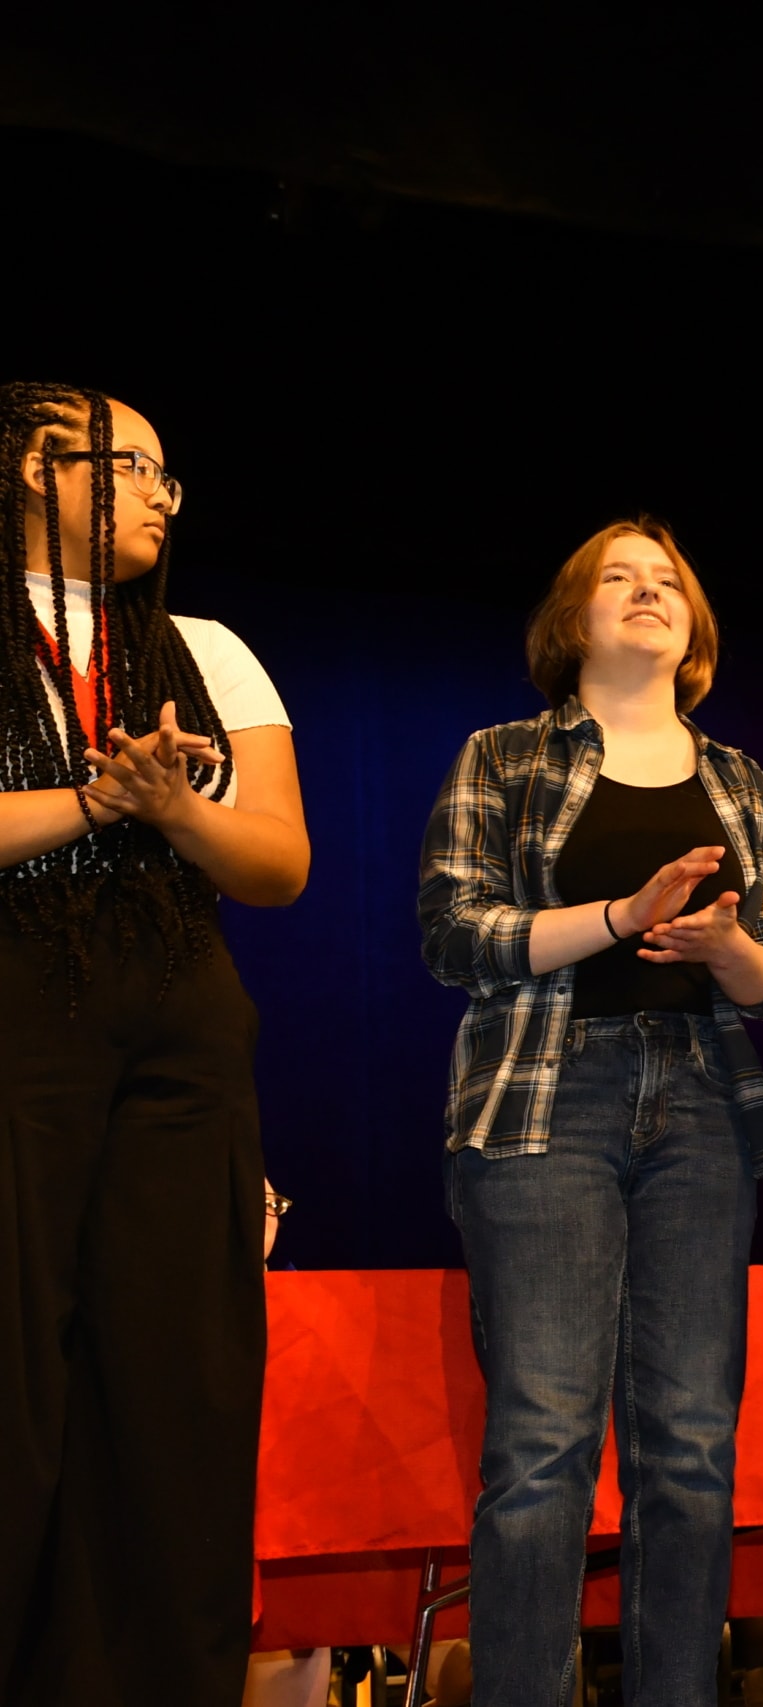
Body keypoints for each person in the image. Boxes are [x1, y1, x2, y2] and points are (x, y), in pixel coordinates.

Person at [418, 517, 763, 1705]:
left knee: (689, 1448)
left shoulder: (741, 780)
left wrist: (727, 943)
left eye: (668, 584)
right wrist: (621, 915)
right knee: (541, 1447)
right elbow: (453, 933)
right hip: (546, 1101)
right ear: (571, 620)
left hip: (700, 1100)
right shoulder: (504, 757)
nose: (647, 595)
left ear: (691, 627)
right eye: (618, 581)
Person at [0, 385, 308, 1706]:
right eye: (133, 466)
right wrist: (91, 797)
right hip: (20, 1002)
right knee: (18, 1370)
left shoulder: (208, 648)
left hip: (180, 1018)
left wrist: (173, 804)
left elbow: (281, 861)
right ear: (33, 463)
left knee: (174, 1378)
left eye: (170, 475)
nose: (161, 495)